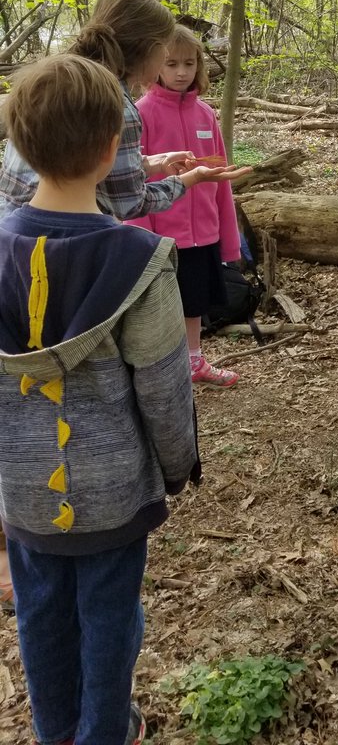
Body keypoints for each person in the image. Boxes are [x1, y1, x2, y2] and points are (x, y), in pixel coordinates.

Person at [0, 54, 200, 745]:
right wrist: (177, 466)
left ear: (19, 145)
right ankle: (104, 732)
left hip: (22, 490)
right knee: (110, 617)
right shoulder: (140, 263)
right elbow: (165, 389)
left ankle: (56, 731)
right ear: (114, 147)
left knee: (40, 614)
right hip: (113, 491)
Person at [0, 0, 250, 223]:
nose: (166, 55)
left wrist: (151, 163)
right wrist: (188, 180)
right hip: (58, 239)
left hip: (12, 227)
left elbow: (74, 163)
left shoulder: (56, 80)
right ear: (147, 50)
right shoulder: (116, 106)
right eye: (164, 47)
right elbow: (128, 203)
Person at [127, 26, 242, 388]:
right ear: (155, 66)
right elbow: (132, 181)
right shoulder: (141, 113)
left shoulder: (206, 114)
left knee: (194, 301)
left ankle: (194, 361)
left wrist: (229, 241)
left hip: (203, 233)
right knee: (160, 306)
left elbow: (220, 180)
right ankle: (163, 369)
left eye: (189, 64)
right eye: (172, 63)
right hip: (161, 236)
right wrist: (141, 238)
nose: (181, 72)